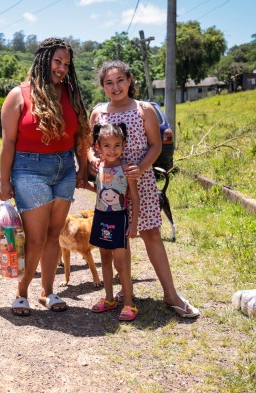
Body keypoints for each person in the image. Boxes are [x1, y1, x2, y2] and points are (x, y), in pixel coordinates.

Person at [87, 60, 200, 318]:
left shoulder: (144, 109)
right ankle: (125, 295)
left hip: (142, 183)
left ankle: (171, 294)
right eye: (109, 82)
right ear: (103, 86)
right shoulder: (98, 114)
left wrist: (140, 167)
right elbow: (89, 146)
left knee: (151, 235)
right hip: (111, 189)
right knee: (118, 241)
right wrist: (93, 160)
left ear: (129, 81)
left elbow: (156, 145)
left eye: (120, 81)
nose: (115, 87)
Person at [0, 37, 92, 316]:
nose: (62, 68)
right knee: (36, 238)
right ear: (43, 59)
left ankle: (48, 292)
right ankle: (21, 292)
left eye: (66, 64)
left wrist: (82, 168)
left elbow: (80, 136)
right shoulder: (19, 95)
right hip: (29, 170)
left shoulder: (70, 93)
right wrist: (4, 182)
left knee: (55, 236)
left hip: (64, 168)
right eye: (57, 61)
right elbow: (8, 144)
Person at [82, 123, 140, 321]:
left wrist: (133, 225)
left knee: (120, 263)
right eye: (107, 146)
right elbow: (99, 191)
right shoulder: (98, 167)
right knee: (104, 259)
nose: (112, 150)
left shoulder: (126, 169)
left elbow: (134, 197)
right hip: (100, 217)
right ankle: (109, 299)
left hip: (118, 219)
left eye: (117, 145)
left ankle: (129, 303)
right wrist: (84, 185)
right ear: (98, 146)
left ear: (123, 145)